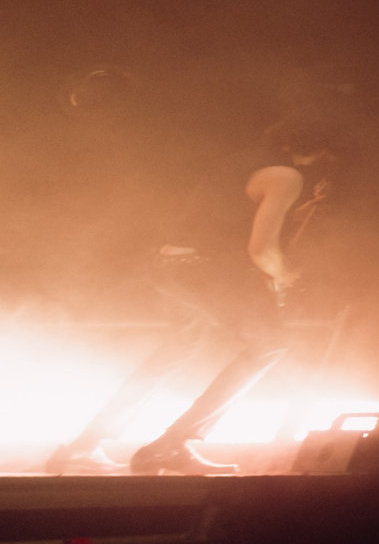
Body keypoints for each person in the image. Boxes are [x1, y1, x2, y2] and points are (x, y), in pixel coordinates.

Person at [50, 120, 336, 475]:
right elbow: (261, 249)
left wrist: (302, 212)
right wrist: (283, 274)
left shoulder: (242, 161)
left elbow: (228, 216)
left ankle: (82, 446)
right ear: (320, 150)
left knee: (178, 347)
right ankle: (173, 445)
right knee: (270, 344)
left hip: (170, 264)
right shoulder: (287, 177)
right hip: (205, 268)